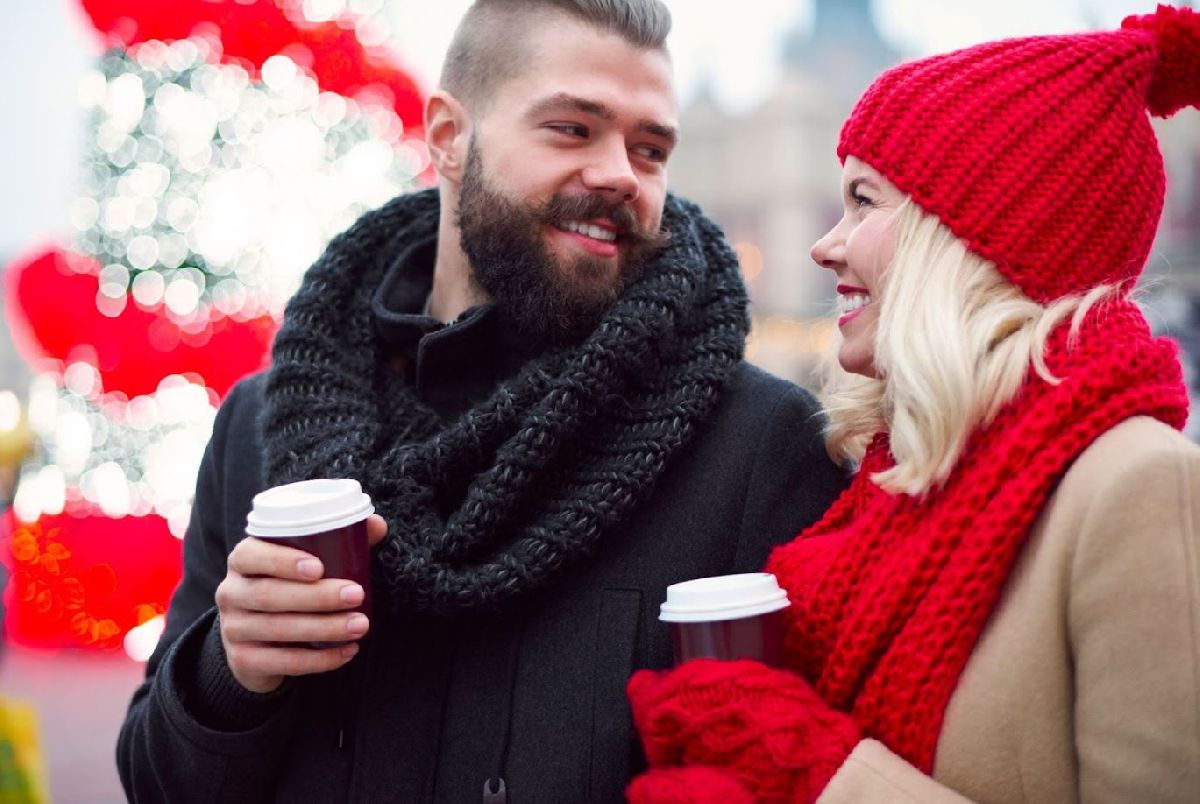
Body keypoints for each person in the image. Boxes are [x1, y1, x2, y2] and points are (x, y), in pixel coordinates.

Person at [115, 1, 848, 801]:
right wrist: (231, 670)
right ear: (447, 136)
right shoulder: (261, 429)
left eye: (650, 148)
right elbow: (157, 782)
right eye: (572, 128)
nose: (619, 174)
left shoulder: (757, 444)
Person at [626, 6, 1200, 804]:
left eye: (865, 200)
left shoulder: (1141, 486)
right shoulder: (897, 475)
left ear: (972, 234)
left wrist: (817, 775)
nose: (827, 243)